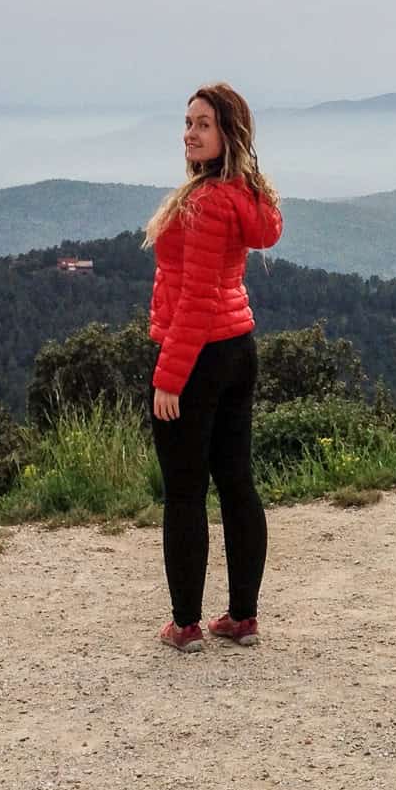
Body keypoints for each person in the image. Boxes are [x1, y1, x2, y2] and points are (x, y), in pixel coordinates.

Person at [144, 82, 284, 653]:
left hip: (199, 356)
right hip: (238, 350)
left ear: (228, 133)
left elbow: (197, 299)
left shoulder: (203, 204)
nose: (189, 133)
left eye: (202, 123)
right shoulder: (236, 196)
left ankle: (185, 625)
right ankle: (242, 617)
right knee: (236, 484)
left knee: (184, 493)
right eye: (187, 122)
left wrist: (168, 377)